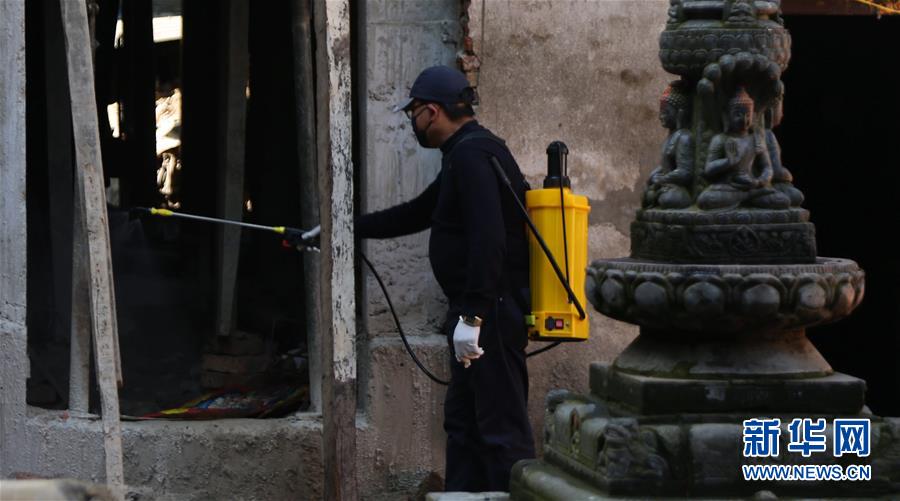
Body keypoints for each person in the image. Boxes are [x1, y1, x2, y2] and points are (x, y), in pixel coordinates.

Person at [357, 65, 536, 491]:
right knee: (464, 424)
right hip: (478, 314)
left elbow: (490, 240)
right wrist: (342, 228)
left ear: (431, 111)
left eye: (413, 113)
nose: (412, 122)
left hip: (490, 314)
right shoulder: (465, 153)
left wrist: (473, 317)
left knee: (499, 430)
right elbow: (417, 213)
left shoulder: (473, 156)